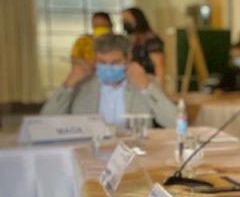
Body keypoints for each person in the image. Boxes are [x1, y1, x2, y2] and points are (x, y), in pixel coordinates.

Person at [42, 33, 177, 128]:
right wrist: (68, 84)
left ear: (128, 59)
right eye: (102, 62)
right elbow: (45, 122)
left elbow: (175, 123)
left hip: (133, 151)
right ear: (95, 59)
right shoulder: (82, 85)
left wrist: (146, 87)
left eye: (115, 62)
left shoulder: (145, 82)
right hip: (88, 151)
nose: (108, 67)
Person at [122, 7, 166, 88]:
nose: (125, 22)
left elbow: (159, 66)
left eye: (128, 19)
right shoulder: (132, 40)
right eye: (123, 20)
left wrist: (159, 90)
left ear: (137, 19)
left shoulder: (151, 40)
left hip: (149, 83)